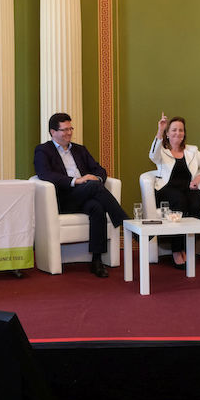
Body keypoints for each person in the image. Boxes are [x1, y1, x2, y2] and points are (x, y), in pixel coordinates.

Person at [34, 113, 128, 278]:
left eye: (70, 128)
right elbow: (45, 174)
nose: (69, 133)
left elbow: (100, 170)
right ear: (52, 132)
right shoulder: (43, 150)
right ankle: (126, 223)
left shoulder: (79, 149)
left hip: (85, 195)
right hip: (63, 198)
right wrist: (76, 181)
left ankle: (97, 261)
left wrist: (96, 178)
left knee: (97, 207)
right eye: (64, 130)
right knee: (92, 185)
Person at [149, 113, 200, 269]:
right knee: (180, 201)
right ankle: (176, 249)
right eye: (173, 130)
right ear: (167, 133)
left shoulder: (192, 151)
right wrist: (160, 130)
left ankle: (188, 246)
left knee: (198, 199)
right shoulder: (162, 151)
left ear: (184, 133)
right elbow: (152, 155)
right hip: (166, 190)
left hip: (187, 189)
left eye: (180, 130)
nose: (177, 133)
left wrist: (199, 177)